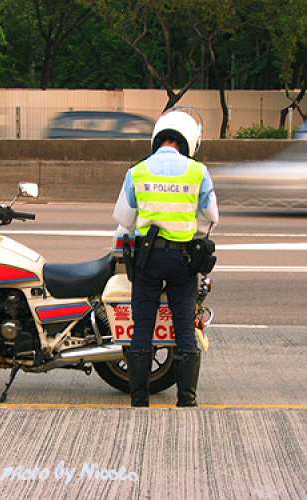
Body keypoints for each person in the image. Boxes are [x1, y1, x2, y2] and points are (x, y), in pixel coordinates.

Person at [113, 107, 219, 408]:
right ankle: (187, 399)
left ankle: (139, 400)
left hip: (147, 259)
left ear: (158, 138)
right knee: (184, 328)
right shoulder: (198, 171)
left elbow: (123, 218)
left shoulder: (138, 171)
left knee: (142, 327)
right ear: (189, 141)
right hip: (183, 261)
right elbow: (212, 216)